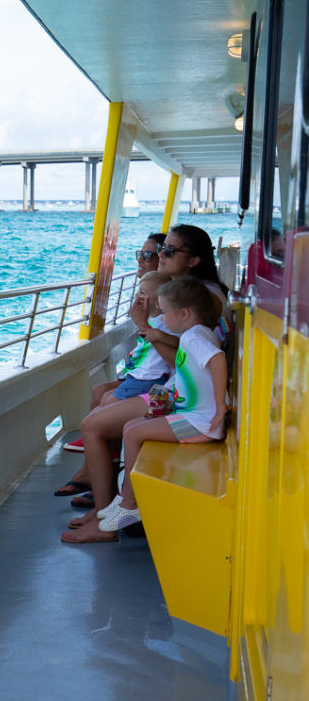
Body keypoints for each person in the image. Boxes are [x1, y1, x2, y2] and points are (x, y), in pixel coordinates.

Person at [60, 223, 228, 543]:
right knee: (100, 412)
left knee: (93, 425)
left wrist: (146, 327)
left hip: (182, 395)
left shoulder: (201, 299)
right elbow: (183, 355)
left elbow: (186, 356)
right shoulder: (185, 294)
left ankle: (111, 514)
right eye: (160, 251)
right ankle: (107, 506)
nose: (161, 255)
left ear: (194, 259)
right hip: (179, 389)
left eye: (168, 250)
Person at [97, 276, 228, 532]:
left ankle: (130, 503)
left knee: (133, 432)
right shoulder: (196, 333)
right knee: (134, 425)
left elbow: (217, 359)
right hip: (194, 417)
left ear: (184, 313)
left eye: (165, 312)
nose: (163, 319)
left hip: (201, 424)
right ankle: (125, 498)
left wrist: (220, 403)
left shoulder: (194, 338)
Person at [55, 232, 165, 495]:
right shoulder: (158, 305)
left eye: (148, 255)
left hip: (159, 385)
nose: (141, 260)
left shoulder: (168, 306)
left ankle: (101, 488)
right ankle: (95, 472)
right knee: (99, 393)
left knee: (103, 407)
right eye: (140, 254)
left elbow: (176, 354)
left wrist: (142, 324)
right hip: (149, 378)